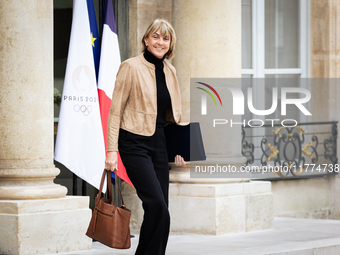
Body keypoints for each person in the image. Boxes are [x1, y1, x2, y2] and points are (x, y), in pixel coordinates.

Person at [105, 19, 187, 255]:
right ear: (146, 40)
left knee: (163, 210)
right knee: (156, 204)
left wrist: (180, 149)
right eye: (156, 37)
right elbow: (115, 111)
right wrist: (111, 150)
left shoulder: (170, 71)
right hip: (133, 143)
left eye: (165, 38)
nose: (160, 42)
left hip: (160, 143)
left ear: (170, 44)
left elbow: (173, 116)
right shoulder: (130, 67)